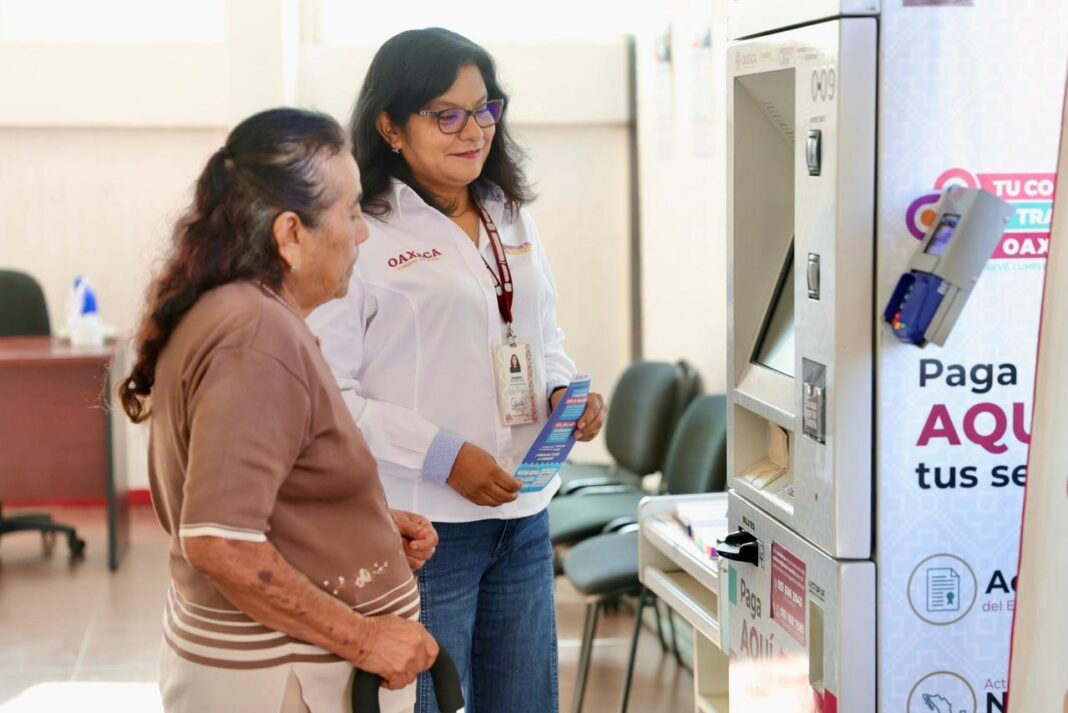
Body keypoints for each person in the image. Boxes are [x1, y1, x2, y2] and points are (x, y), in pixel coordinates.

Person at [308, 28, 607, 713]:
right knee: (428, 703)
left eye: (485, 108)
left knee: (525, 701)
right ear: (390, 125)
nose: (472, 130)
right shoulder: (364, 232)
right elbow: (331, 396)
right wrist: (444, 456)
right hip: (424, 529)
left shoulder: (510, 213)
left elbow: (542, 333)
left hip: (525, 513)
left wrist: (563, 391)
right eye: (446, 114)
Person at [118, 107, 440, 713]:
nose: (362, 233)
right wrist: (367, 637)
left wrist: (356, 521)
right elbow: (222, 542)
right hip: (283, 679)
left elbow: (254, 492)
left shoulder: (241, 312)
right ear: (290, 235)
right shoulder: (256, 336)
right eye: (350, 213)